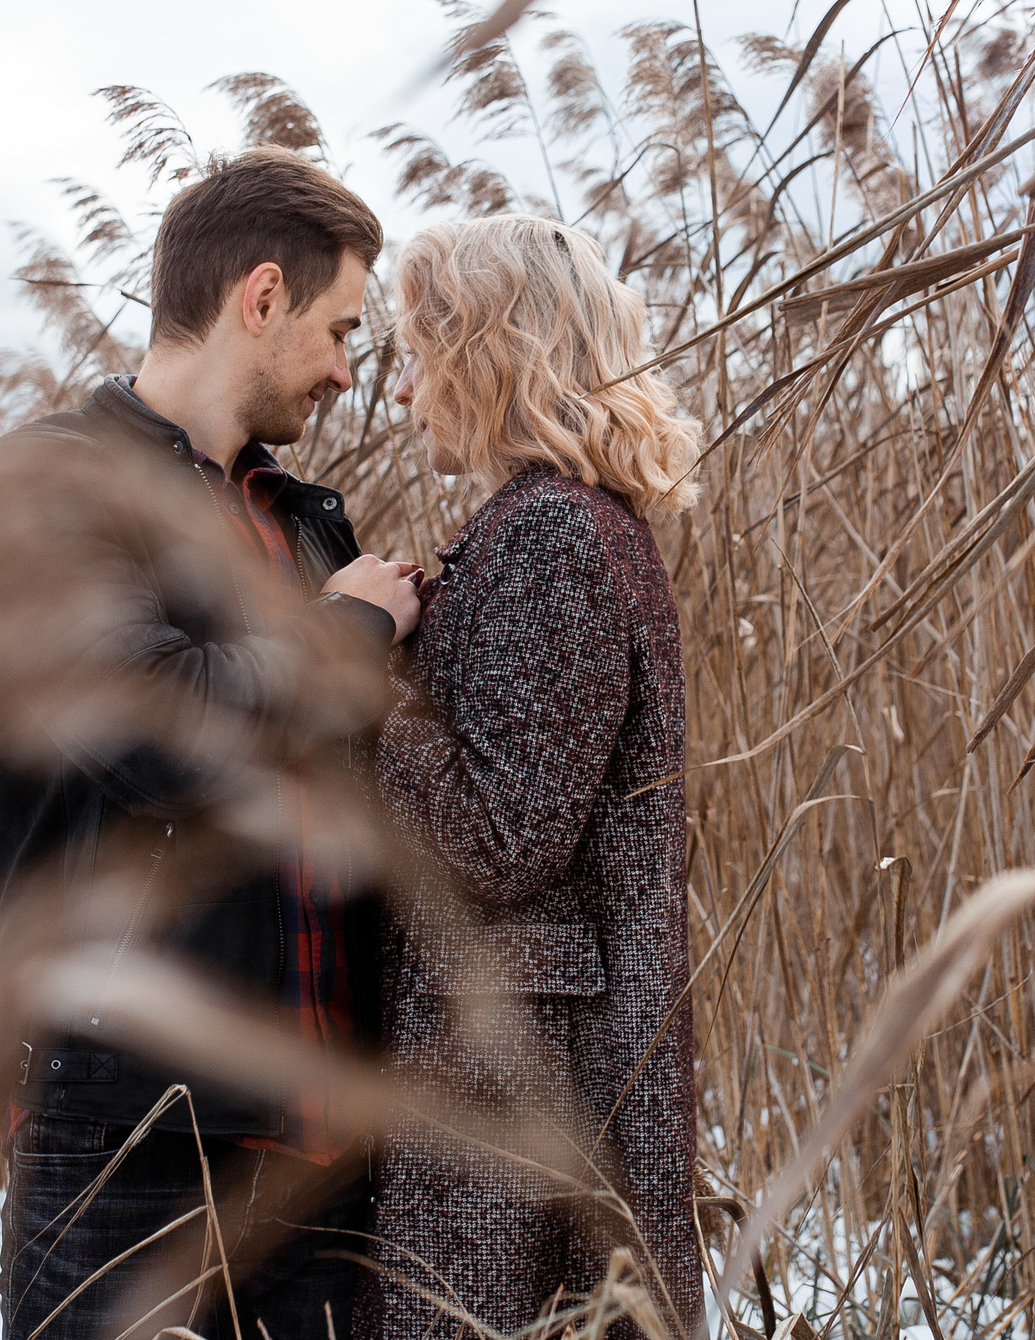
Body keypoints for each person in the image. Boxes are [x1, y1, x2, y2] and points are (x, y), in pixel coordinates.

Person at [0, 147, 422, 1340]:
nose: (346, 371)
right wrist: (345, 635)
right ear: (258, 299)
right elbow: (144, 721)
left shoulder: (306, 523)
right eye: (337, 328)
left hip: (316, 1150)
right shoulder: (50, 494)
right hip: (129, 1138)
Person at [363, 215, 704, 1339]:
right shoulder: (548, 527)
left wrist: (361, 674)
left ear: (488, 356)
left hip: (519, 1085)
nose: (404, 395)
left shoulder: (551, 535)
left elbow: (503, 839)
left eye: (419, 358)